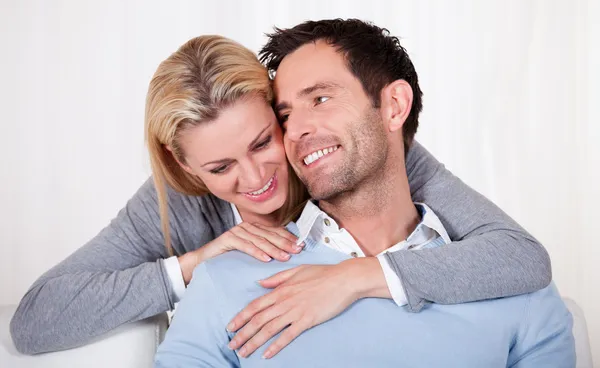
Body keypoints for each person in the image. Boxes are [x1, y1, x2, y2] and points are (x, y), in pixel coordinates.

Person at [11, 31, 550, 356]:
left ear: (277, 110)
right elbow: (35, 321)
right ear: (185, 164)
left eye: (263, 141)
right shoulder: (177, 202)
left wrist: (353, 277)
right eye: (220, 167)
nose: (254, 180)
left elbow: (519, 256)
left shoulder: (355, 163)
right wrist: (194, 265)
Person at [154, 19, 574, 367]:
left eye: (320, 98)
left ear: (393, 106)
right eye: (284, 115)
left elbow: (526, 261)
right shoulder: (224, 283)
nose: (296, 130)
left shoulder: (509, 280)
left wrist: (357, 278)